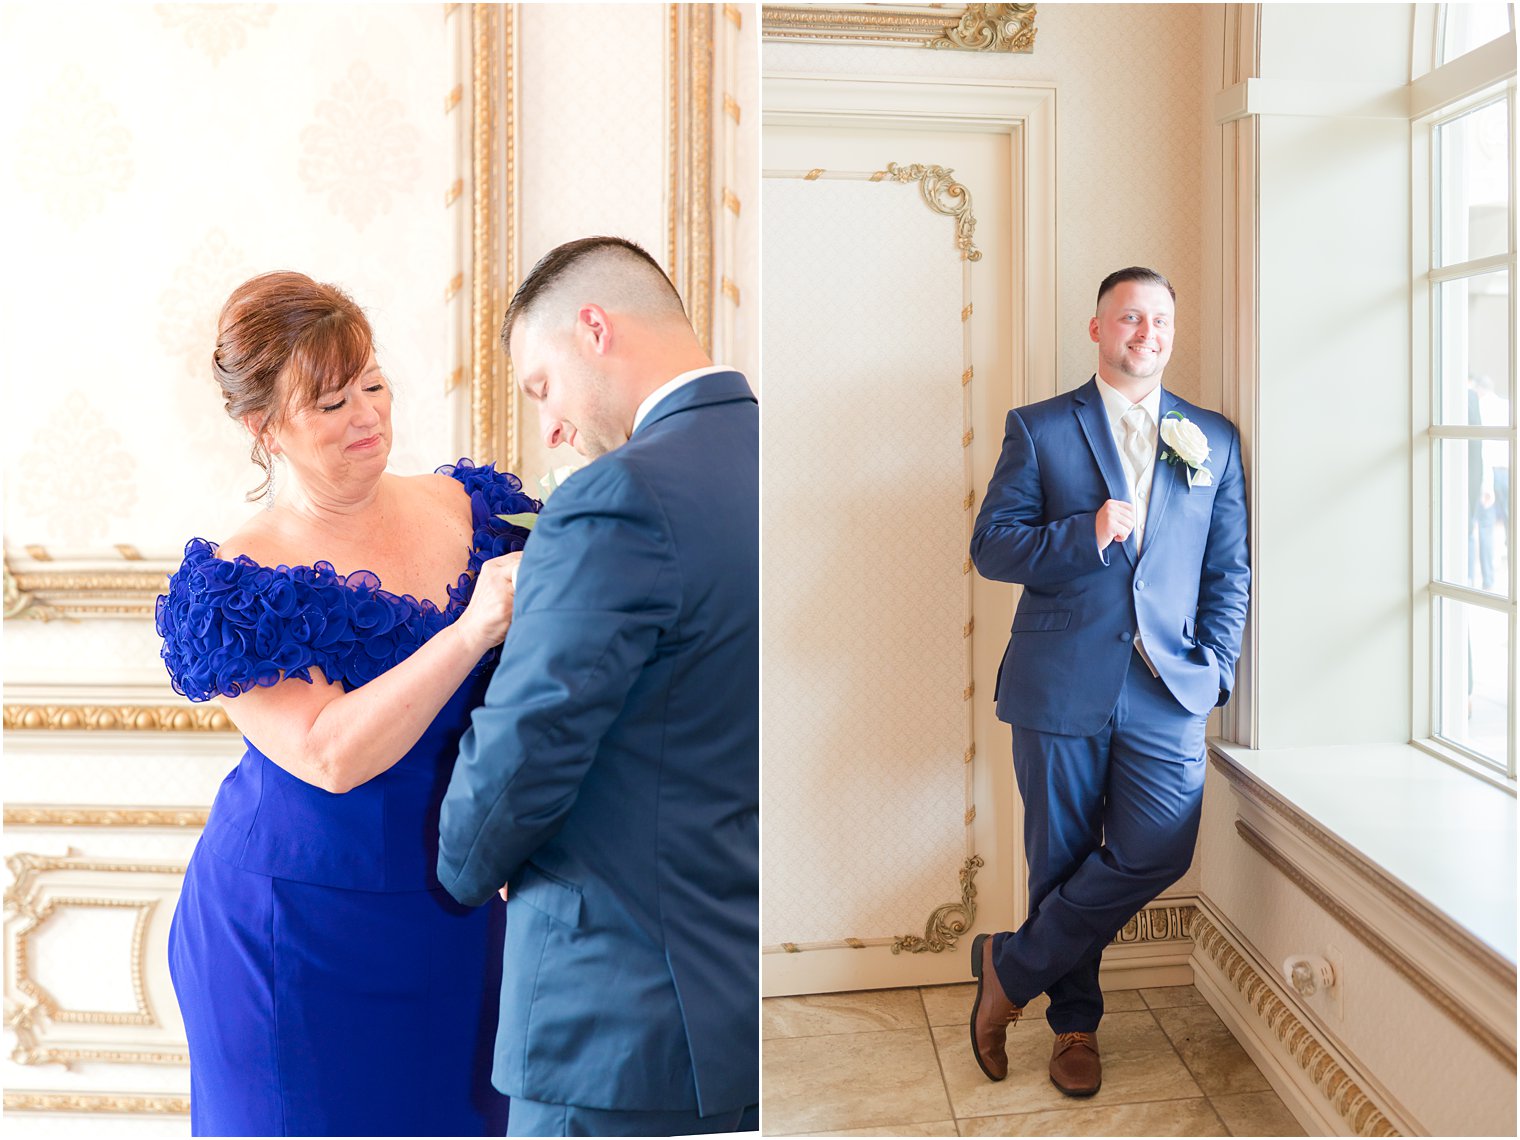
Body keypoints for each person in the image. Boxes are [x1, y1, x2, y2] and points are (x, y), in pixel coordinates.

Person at [156, 271, 536, 1136]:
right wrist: (469, 629)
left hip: (457, 912)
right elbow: (330, 754)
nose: (368, 416)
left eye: (372, 384)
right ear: (263, 428)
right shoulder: (231, 588)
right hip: (293, 935)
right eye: (330, 404)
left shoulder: (478, 510)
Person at [437, 236, 759, 1137]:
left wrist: (461, 870)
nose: (548, 428)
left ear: (593, 328)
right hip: (741, 1008)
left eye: (540, 385)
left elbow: (526, 751)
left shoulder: (618, 498)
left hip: (618, 1027)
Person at [967, 267, 1250, 1096]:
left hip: (1169, 688)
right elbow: (993, 547)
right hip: (1059, 680)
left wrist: (1218, 669)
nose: (1147, 334)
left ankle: (1008, 969)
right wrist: (1082, 534)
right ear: (1097, 329)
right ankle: (1074, 1027)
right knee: (1057, 858)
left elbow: (1228, 571)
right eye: (1130, 318)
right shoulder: (1041, 428)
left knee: (1159, 845)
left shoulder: (1215, 440)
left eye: (1160, 319)